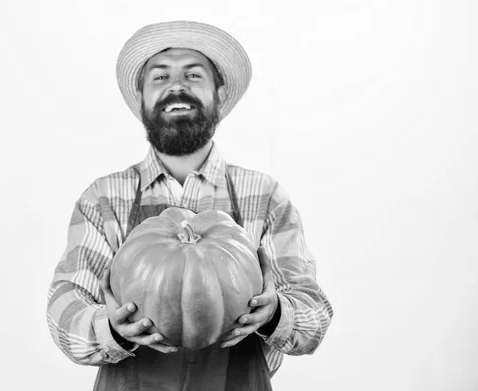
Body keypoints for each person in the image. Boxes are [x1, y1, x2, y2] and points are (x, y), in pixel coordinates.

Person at [47, 20, 333, 391]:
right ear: (142, 96)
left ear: (219, 91)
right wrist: (110, 330)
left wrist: (276, 312)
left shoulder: (266, 196)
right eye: (160, 77)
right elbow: (62, 311)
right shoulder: (103, 198)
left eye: (194, 75)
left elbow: (314, 318)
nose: (177, 86)